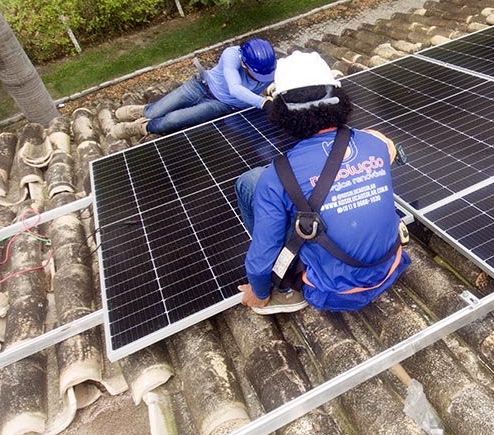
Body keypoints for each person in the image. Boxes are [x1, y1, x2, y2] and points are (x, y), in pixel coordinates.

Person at [235, 50, 410, 315]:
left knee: (250, 181)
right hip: (391, 267)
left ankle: (286, 290)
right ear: (340, 100)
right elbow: (387, 146)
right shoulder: (375, 142)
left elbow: (260, 260)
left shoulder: (277, 176)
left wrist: (258, 293)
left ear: (283, 112)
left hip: (333, 293)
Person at [112, 38, 276, 139]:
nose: (261, 78)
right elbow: (235, 88)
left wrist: (275, 90)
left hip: (222, 105)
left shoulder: (271, 68)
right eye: (257, 74)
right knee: (155, 112)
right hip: (200, 85)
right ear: (243, 64)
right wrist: (263, 102)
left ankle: (142, 127)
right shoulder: (231, 55)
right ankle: (145, 111)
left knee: (172, 120)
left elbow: (280, 83)